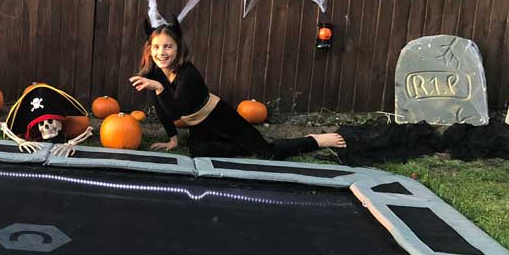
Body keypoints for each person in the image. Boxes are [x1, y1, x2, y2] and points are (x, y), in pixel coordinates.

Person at [129, 17, 346, 158]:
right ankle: (242, 146)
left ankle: (316, 139)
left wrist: (158, 87)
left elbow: (175, 110)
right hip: (196, 121)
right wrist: (173, 139)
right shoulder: (155, 71)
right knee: (198, 150)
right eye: (156, 47)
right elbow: (161, 105)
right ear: (150, 48)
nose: (162, 52)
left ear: (178, 48)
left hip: (217, 114)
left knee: (267, 152)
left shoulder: (188, 73)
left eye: (168, 46)